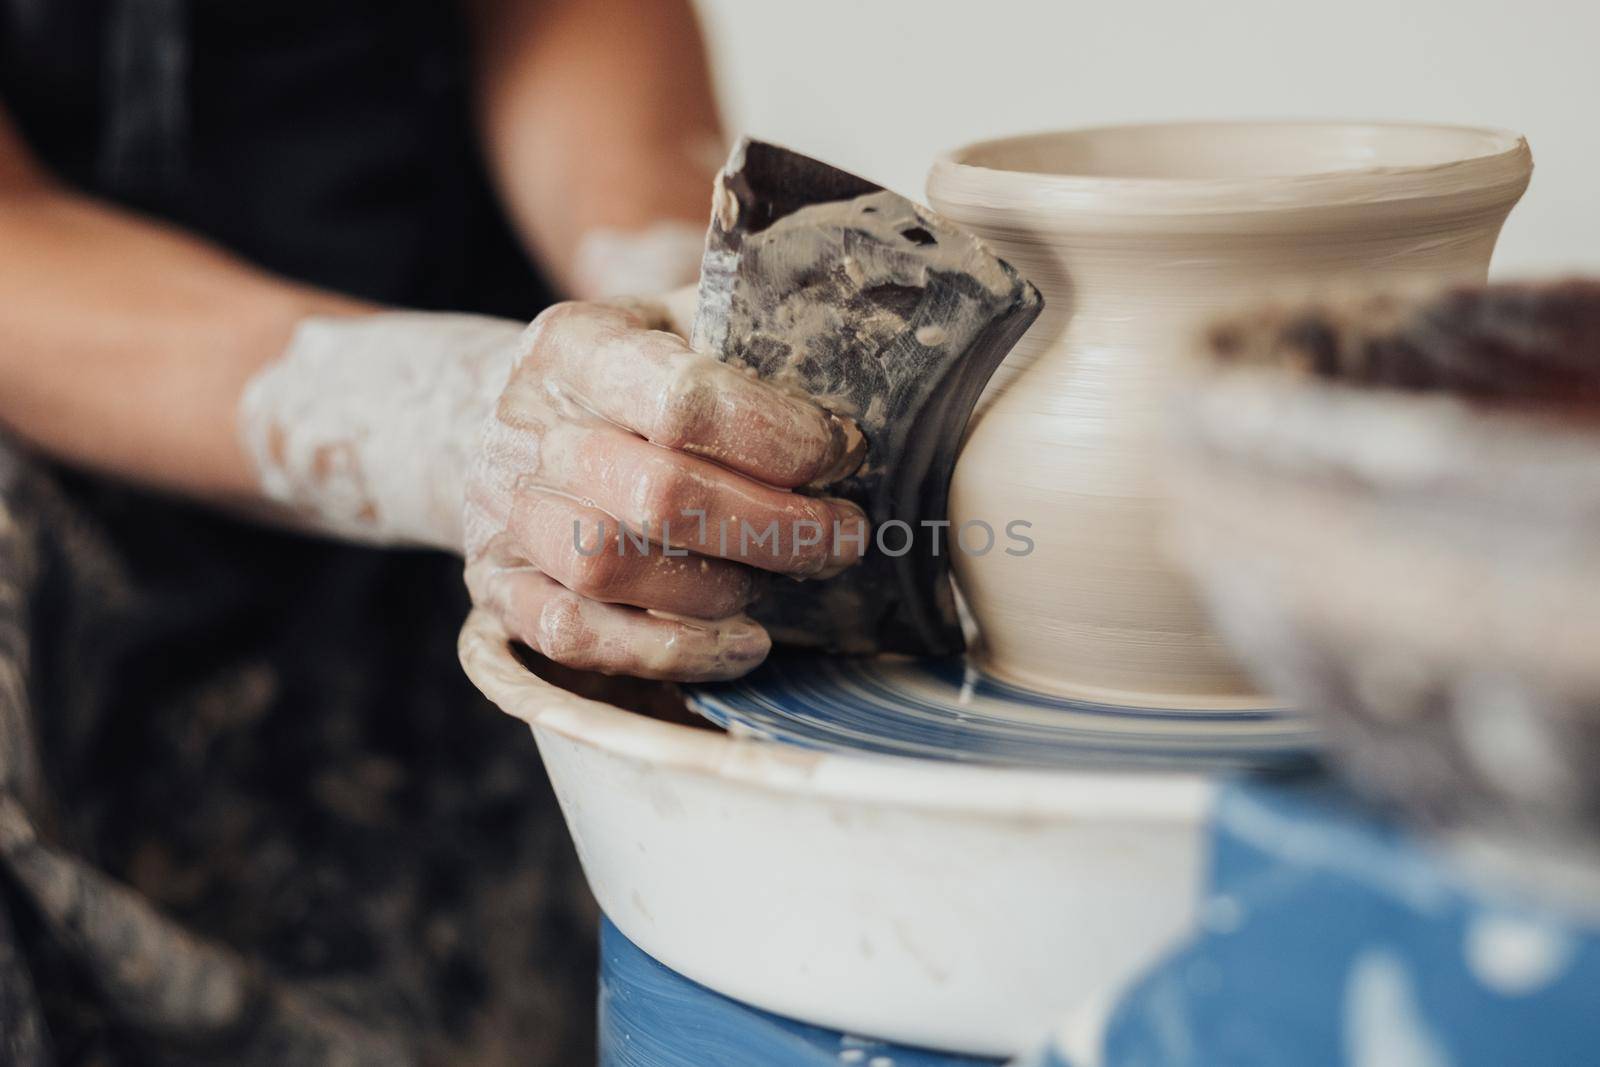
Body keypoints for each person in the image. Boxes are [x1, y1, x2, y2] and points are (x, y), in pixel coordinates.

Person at [0, 1, 864, 1063]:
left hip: (475, 403)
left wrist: (672, 326)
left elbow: (561, 24)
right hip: (66, 459)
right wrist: (452, 419)